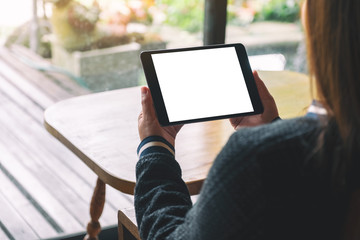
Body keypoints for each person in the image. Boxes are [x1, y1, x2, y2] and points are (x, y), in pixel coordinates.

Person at [135, 0, 360, 239]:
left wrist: (155, 148)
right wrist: (273, 128)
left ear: (321, 29)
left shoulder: (254, 158)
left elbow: (167, 235)